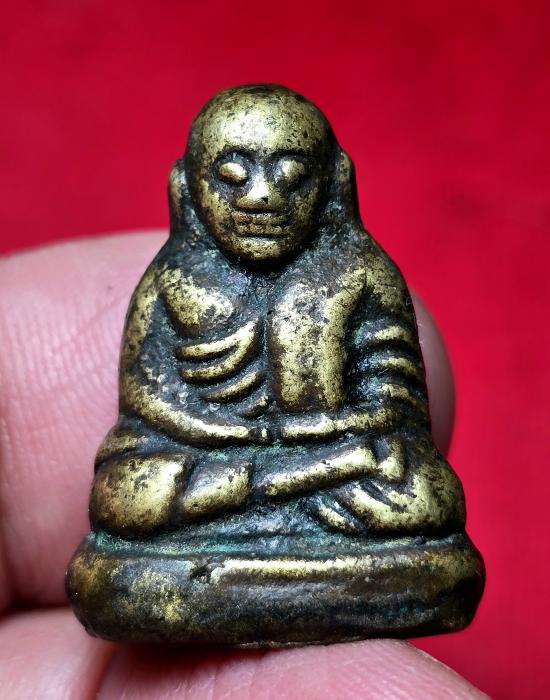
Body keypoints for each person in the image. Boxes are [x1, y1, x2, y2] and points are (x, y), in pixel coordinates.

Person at [0, 233, 486, 697]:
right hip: (222, 452)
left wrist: (318, 428)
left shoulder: (362, 271)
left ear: (328, 186)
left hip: (324, 455)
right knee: (129, 495)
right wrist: (240, 435)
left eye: (290, 182)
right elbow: (148, 403)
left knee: (424, 495)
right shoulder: (171, 278)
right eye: (233, 183)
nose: (261, 197)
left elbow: (394, 403)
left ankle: (298, 481)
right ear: (192, 190)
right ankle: (296, 479)